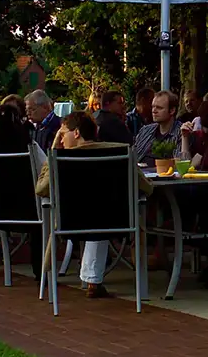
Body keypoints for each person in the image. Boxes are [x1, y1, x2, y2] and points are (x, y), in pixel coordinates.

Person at [34, 111, 144, 298]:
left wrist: (53, 149)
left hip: (71, 223)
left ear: (76, 133)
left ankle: (91, 280)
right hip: (116, 221)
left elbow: (41, 189)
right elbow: (145, 187)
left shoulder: (61, 159)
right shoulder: (121, 152)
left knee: (92, 211)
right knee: (99, 208)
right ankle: (93, 280)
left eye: (62, 134)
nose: (60, 140)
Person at [132, 89, 189, 164]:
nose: (154, 111)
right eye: (153, 107)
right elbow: (132, 158)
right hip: (140, 174)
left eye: (159, 108)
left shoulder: (181, 132)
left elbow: (182, 163)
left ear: (172, 111)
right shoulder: (145, 130)